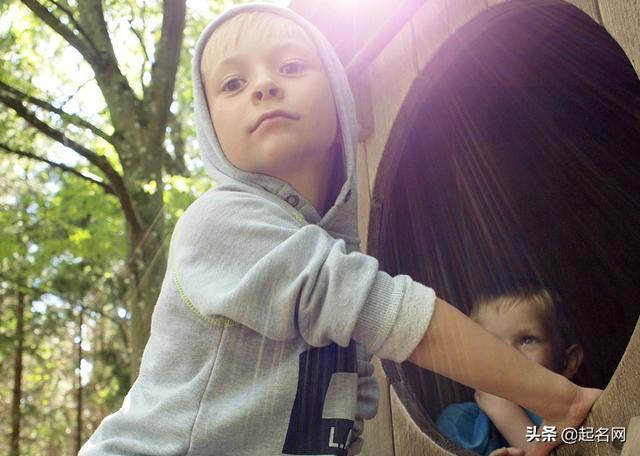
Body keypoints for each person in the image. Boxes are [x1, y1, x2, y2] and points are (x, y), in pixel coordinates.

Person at [79, 4, 600, 455]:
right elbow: (390, 311)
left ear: (340, 103)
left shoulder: (330, 271)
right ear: (212, 130)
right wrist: (564, 398)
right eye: (233, 83)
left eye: (291, 65)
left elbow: (338, 430)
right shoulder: (220, 223)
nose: (263, 84)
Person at [437, 288, 585, 456]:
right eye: (490, 342)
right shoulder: (460, 423)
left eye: (527, 340)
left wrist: (509, 419)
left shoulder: (582, 419)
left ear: (568, 362)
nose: (507, 356)